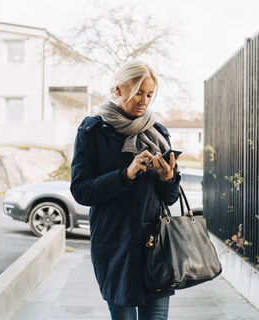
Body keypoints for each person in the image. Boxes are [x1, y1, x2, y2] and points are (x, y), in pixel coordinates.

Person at [70, 60, 181, 320]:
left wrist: (168, 178)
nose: (144, 100)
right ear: (119, 89)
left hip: (155, 247)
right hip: (114, 247)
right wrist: (126, 173)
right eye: (138, 92)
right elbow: (81, 190)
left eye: (149, 94)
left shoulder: (158, 134)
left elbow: (171, 198)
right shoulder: (93, 131)